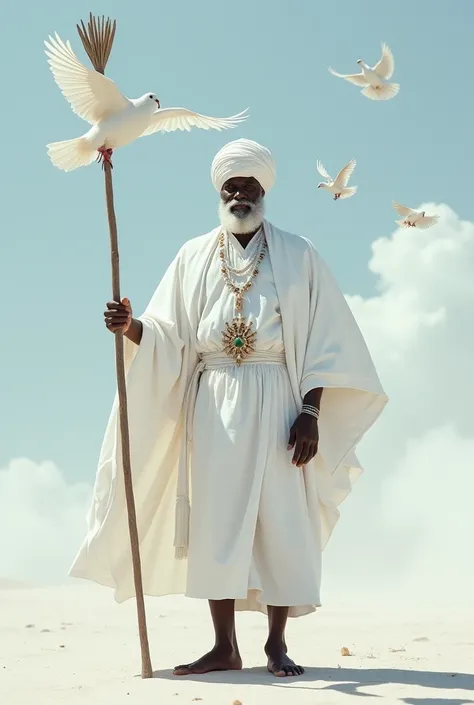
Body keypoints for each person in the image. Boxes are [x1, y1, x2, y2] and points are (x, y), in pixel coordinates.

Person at [70, 138, 387, 677]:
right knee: (217, 522)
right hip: (213, 401)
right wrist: (133, 328)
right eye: (231, 187)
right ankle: (224, 645)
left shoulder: (299, 253)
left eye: (249, 186)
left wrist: (310, 412)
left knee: (282, 520)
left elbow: (325, 342)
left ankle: (276, 644)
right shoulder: (193, 254)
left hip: (280, 396)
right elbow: (171, 336)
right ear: (220, 192)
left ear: (265, 190)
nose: (240, 194)